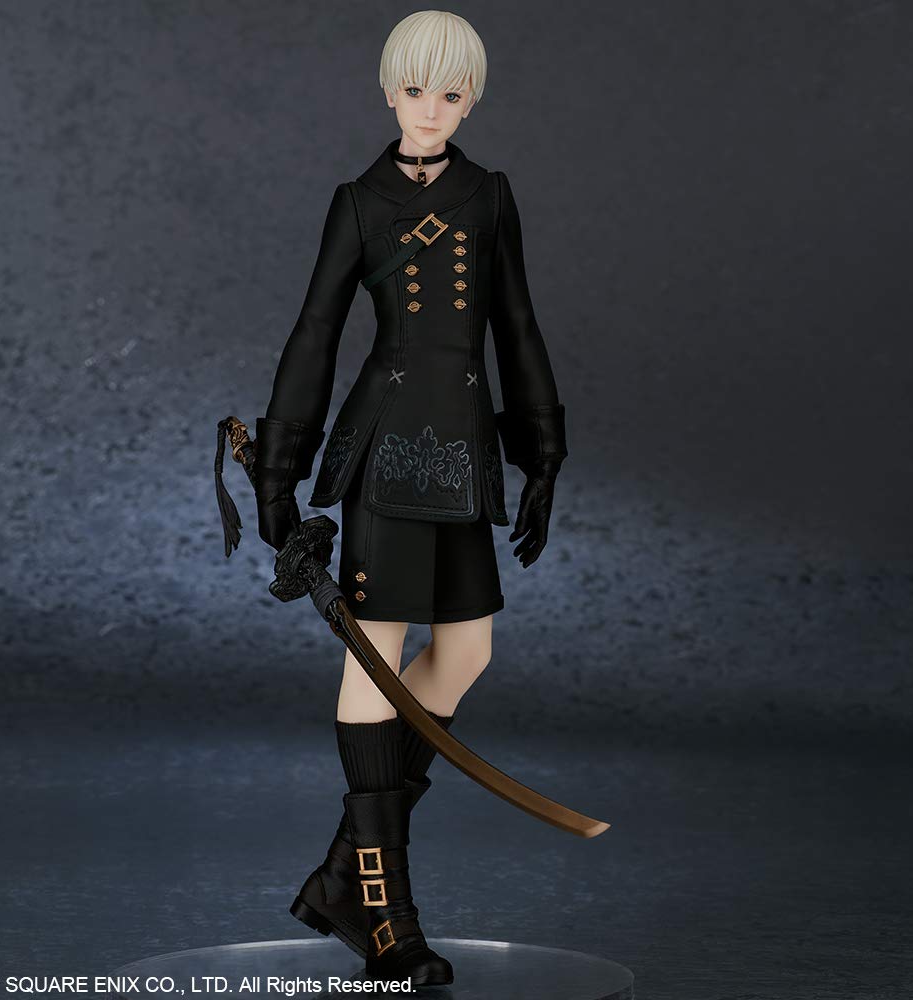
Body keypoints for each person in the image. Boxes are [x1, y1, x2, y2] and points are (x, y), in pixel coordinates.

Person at [253, 10, 567, 986]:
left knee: (465, 652)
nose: (430, 110)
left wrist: (543, 453)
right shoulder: (358, 203)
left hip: (464, 452)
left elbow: (516, 324)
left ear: (472, 99)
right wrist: (278, 468)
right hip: (386, 453)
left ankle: (345, 870)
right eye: (415, 89)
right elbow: (315, 332)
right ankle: (387, 918)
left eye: (451, 93)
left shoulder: (489, 194)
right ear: (388, 91)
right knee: (377, 654)